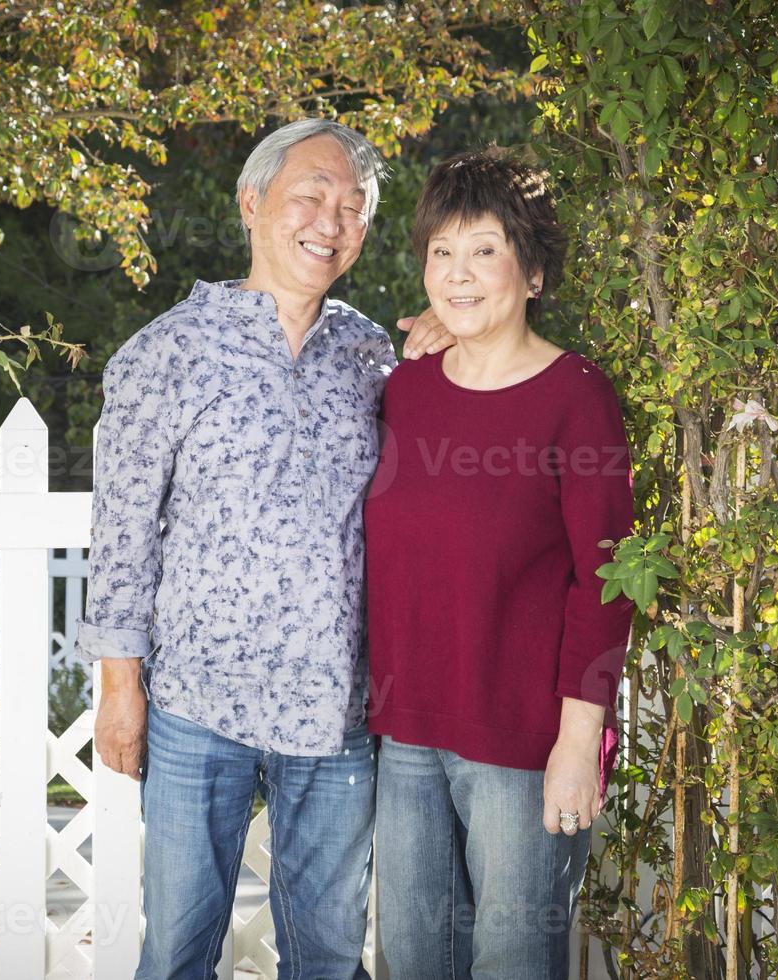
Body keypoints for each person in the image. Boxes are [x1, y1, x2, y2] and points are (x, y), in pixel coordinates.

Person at [76, 118, 449, 979]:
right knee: (176, 952)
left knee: (326, 956)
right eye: (311, 195)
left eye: (354, 208)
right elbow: (123, 536)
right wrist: (120, 691)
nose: (332, 220)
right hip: (196, 705)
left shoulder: (369, 354)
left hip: (335, 711)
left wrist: (456, 328)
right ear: (252, 203)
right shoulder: (167, 351)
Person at [364, 148, 635, 980]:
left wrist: (578, 742)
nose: (459, 273)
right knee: (413, 965)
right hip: (406, 738)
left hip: (524, 747)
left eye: (484, 249)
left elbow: (607, 584)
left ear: (535, 270)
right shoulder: (405, 391)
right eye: (442, 252)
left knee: (513, 966)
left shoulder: (577, 397)